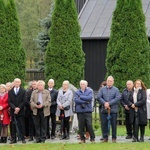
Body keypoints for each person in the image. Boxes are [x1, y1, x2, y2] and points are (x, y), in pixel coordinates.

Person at [97, 76, 121, 143]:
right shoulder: (102, 89)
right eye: (108, 81)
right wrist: (105, 103)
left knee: (113, 124)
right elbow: (99, 97)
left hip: (113, 110)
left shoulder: (116, 90)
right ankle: (105, 137)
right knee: (104, 124)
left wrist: (109, 103)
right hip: (104, 110)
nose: (109, 82)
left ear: (113, 82)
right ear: (106, 81)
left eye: (110, 81)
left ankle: (114, 138)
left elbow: (117, 98)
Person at [8, 78, 26, 144]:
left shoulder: (23, 91)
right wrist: (14, 107)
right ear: (14, 83)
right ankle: (13, 139)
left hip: (20, 111)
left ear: (20, 83)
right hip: (13, 111)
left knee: (21, 125)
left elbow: (24, 101)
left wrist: (18, 108)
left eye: (18, 82)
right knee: (13, 126)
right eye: (15, 82)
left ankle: (22, 138)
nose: (17, 83)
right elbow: (9, 101)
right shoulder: (10, 92)